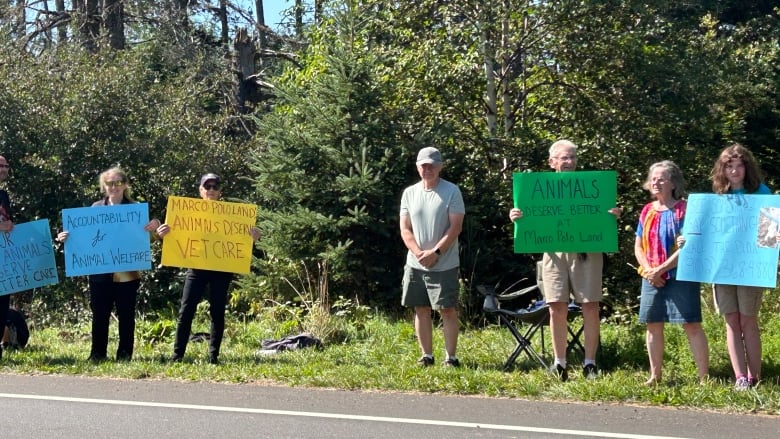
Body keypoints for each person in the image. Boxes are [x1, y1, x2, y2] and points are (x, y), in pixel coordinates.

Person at [509, 140, 621, 381]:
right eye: (563, 158)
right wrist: (517, 216)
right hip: (553, 251)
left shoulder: (592, 187)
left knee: (590, 305)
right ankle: (560, 363)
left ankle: (590, 363)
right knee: (556, 306)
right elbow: (530, 218)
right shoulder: (537, 188)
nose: (569, 162)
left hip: (586, 250)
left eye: (572, 157)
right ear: (552, 162)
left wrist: (612, 215)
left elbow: (604, 215)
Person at [57, 167, 161, 362]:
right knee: (100, 315)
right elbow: (84, 237)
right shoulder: (95, 208)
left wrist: (154, 227)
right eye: (109, 183)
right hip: (99, 272)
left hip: (127, 273)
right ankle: (97, 354)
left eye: (117, 183)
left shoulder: (135, 209)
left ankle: (124, 355)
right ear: (104, 186)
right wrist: (66, 238)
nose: (113, 187)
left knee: (127, 316)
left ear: (125, 185)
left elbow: (150, 239)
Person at [157, 173, 261, 365]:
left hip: (222, 268)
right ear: (201, 190)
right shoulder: (186, 213)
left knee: (218, 311)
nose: (211, 190)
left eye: (215, 186)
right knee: (186, 310)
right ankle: (177, 356)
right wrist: (163, 233)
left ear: (220, 191)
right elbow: (175, 236)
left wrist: (254, 237)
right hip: (197, 268)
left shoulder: (234, 215)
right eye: (208, 186)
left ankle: (213, 356)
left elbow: (242, 241)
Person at [634, 160, 708, 385]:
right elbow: (638, 245)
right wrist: (649, 271)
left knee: (691, 323)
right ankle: (655, 376)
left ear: (673, 183)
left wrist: (661, 269)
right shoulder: (647, 210)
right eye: (653, 178)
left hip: (680, 275)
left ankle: (705, 378)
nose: (656, 182)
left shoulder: (686, 209)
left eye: (661, 178)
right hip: (650, 277)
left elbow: (689, 246)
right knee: (652, 324)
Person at [709, 143, 769, 390]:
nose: (734, 171)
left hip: (750, 268)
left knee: (748, 320)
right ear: (722, 170)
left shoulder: (761, 193)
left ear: (747, 167)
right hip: (722, 269)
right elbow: (707, 233)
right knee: (731, 321)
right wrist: (688, 238)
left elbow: (769, 236)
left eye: (739, 165)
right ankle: (740, 377)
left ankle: (755, 376)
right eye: (729, 166)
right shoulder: (717, 198)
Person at [400, 147, 465, 367]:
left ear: (440, 166)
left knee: (447, 309)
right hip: (415, 263)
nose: (428, 169)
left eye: (432, 165)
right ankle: (426, 355)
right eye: (423, 165)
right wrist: (418, 253)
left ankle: (451, 358)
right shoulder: (409, 193)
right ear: (418, 167)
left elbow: (455, 227)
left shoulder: (452, 191)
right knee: (420, 308)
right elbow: (405, 229)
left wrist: (436, 252)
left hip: (444, 263)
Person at [0, 155, 14, 361]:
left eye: (5, 166)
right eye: (0, 165)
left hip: (4, 259)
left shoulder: (3, 195)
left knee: (2, 305)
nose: (3, 169)